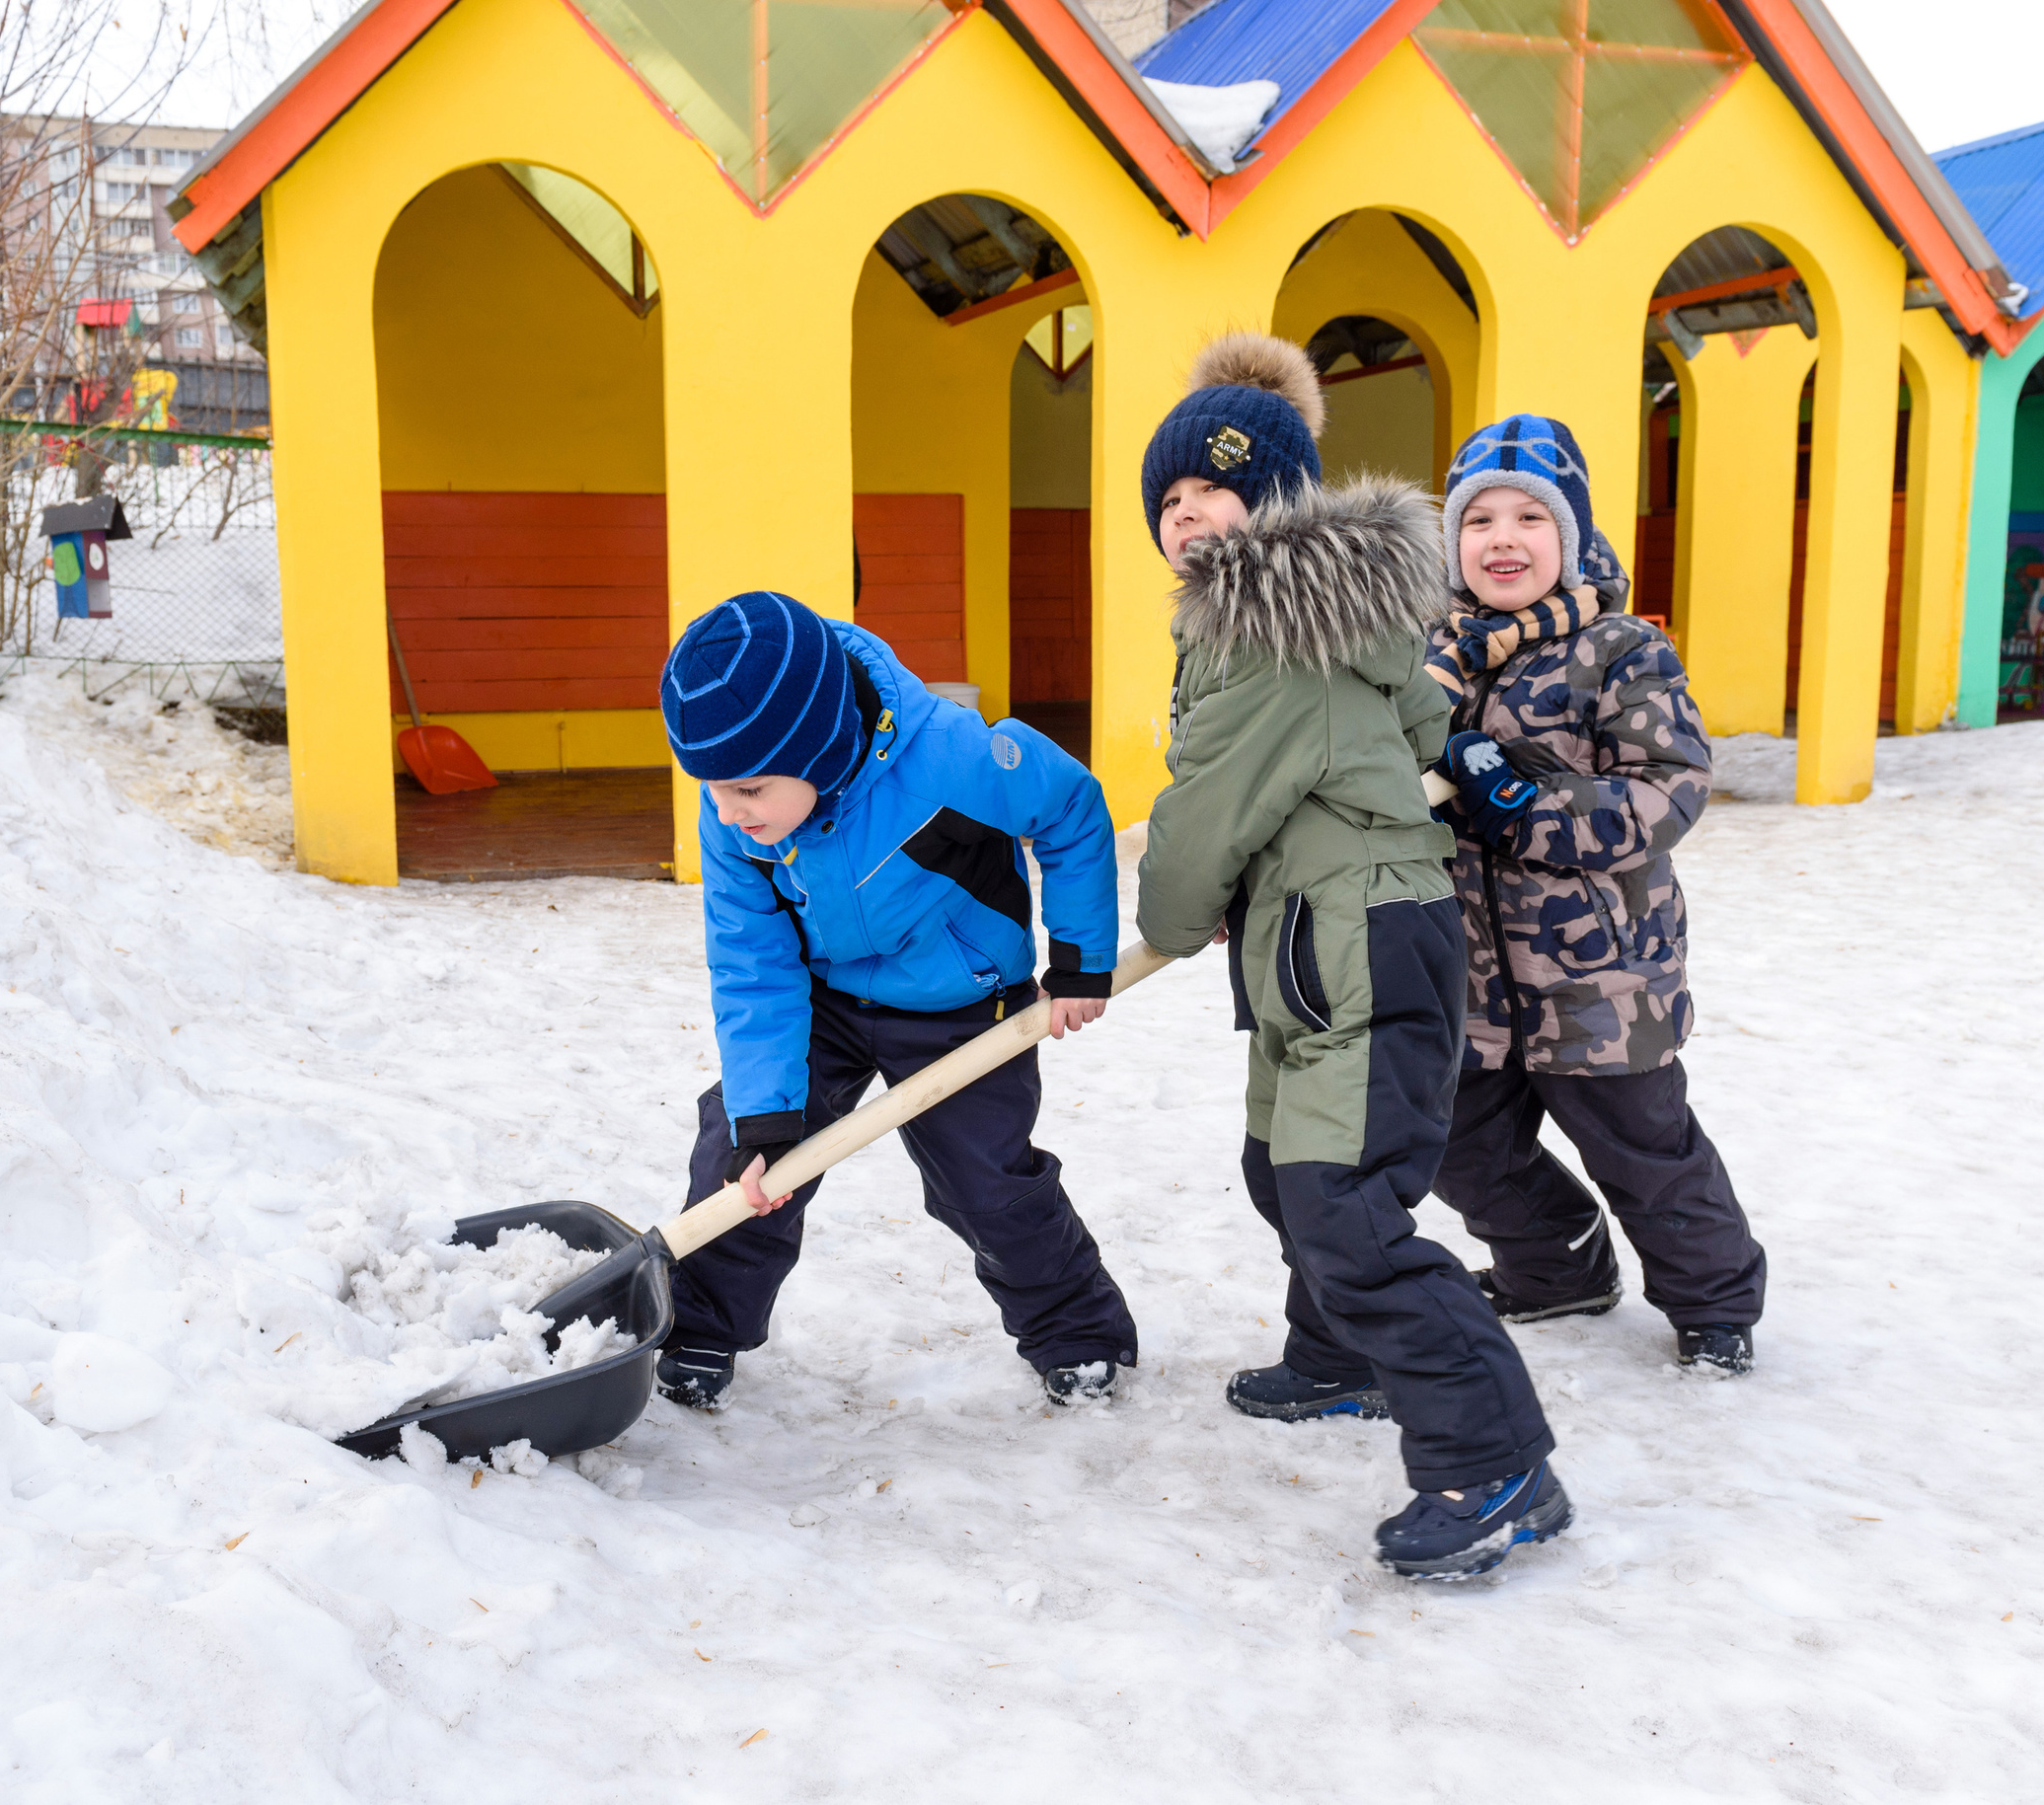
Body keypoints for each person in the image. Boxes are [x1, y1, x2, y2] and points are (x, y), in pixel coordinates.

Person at [1132, 335, 1569, 1581]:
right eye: (1168, 500)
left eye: (1213, 492)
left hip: (1358, 939)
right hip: (1309, 937)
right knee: (1287, 1171)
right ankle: (1339, 1357)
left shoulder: (1262, 635)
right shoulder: (1330, 609)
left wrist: (1165, 922)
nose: (1187, 517)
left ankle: (1495, 1463)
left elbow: (1204, 809)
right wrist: (1458, 746)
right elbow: (1414, 702)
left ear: (1278, 502)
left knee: (1346, 1206)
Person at [656, 589, 1139, 1409]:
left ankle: (1079, 1333)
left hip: (962, 999)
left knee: (986, 1182)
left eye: (749, 790)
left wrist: (1082, 959)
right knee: (743, 1159)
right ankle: (701, 1326)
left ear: (814, 748)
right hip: (825, 1000)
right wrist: (768, 1109)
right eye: (712, 788)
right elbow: (750, 959)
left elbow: (1070, 805)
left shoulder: (951, 757)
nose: (729, 813)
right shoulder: (734, 816)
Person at [1421, 414, 1768, 1374]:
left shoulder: (1620, 651)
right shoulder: (1425, 659)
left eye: (1529, 515)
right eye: (1477, 517)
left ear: (1568, 535)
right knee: (1457, 1143)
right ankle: (1555, 1264)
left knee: (1645, 1153)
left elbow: (1669, 787)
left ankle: (1714, 1302)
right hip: (1468, 977)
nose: (1501, 537)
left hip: (1599, 975)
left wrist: (1523, 803)